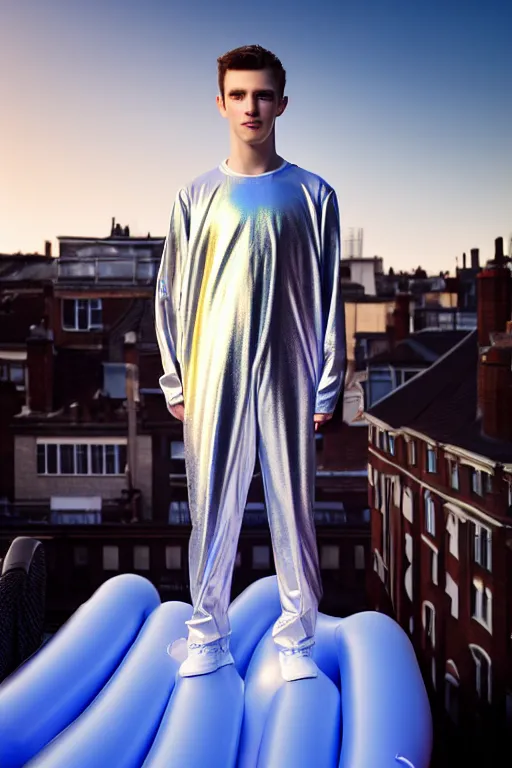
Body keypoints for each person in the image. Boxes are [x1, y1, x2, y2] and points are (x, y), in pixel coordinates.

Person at [155, 44, 346, 682]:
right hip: (214, 376)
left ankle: (298, 641)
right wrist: (176, 378)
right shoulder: (195, 196)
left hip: (289, 373)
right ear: (220, 103)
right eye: (238, 95)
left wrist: (326, 388)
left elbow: (330, 294)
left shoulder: (315, 194)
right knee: (212, 508)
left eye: (262, 94)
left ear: (282, 103)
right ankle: (208, 636)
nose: (251, 106)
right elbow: (172, 293)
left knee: (294, 505)